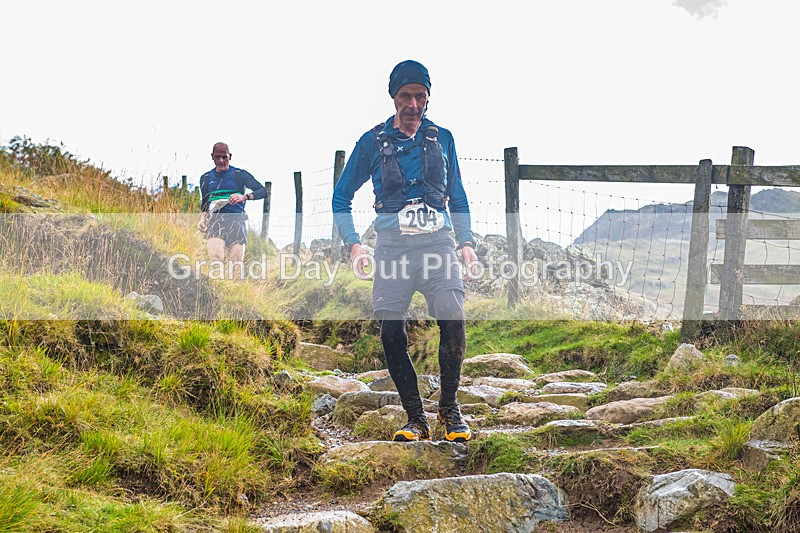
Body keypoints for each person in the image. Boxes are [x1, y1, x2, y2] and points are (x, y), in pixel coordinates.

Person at [332, 60, 478, 442]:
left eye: (420, 95)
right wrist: (354, 245)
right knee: (391, 330)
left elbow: (457, 195)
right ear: (393, 98)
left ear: (428, 97)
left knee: (452, 316)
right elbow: (341, 197)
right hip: (393, 248)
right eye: (405, 96)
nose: (413, 103)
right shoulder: (372, 142)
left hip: (437, 245)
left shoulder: (442, 138)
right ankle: (416, 418)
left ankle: (449, 409)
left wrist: (466, 243)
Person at [198, 142, 267, 278]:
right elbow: (205, 202)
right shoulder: (205, 178)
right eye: (217, 157)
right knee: (215, 260)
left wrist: (243, 196)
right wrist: (201, 219)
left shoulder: (239, 175)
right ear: (212, 157)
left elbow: (263, 191)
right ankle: (218, 293)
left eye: (224, 157)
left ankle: (235, 294)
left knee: (235, 264)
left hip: (236, 220)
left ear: (230, 156)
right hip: (215, 221)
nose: (221, 161)